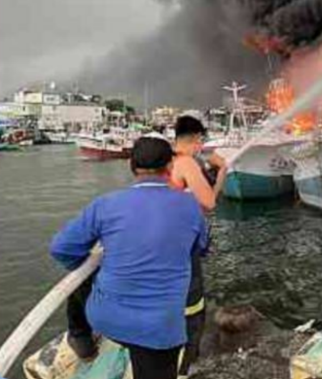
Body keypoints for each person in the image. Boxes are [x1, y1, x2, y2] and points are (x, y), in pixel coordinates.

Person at [51, 135, 209, 379]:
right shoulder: (189, 206)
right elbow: (202, 247)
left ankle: (81, 339)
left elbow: (62, 249)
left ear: (132, 167)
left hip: (105, 319)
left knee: (85, 269)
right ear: (169, 167)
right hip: (159, 330)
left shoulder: (105, 204)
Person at [170, 115, 227, 376]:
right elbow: (209, 203)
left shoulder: (166, 160)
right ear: (195, 139)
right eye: (200, 141)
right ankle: (184, 368)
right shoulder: (186, 162)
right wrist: (223, 170)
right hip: (182, 244)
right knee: (193, 309)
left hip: (164, 242)